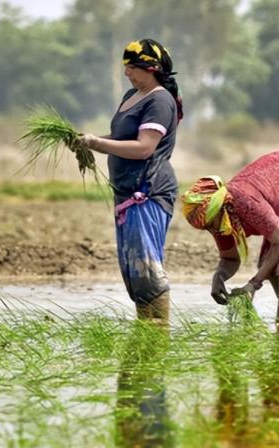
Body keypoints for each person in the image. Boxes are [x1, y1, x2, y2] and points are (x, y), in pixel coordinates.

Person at [79, 38, 182, 324]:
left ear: (151, 69)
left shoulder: (160, 100)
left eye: (132, 67)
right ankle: (145, 330)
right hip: (125, 193)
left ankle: (158, 332)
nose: (127, 72)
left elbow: (144, 148)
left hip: (147, 192)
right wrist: (89, 141)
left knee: (147, 270)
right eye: (126, 66)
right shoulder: (131, 96)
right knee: (134, 273)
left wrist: (98, 144)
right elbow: (122, 139)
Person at [180, 150, 279, 324]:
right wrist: (218, 278)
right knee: (268, 263)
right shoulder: (220, 222)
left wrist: (253, 284)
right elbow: (229, 259)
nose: (212, 232)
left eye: (209, 225)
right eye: (204, 229)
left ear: (219, 209)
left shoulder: (243, 201)